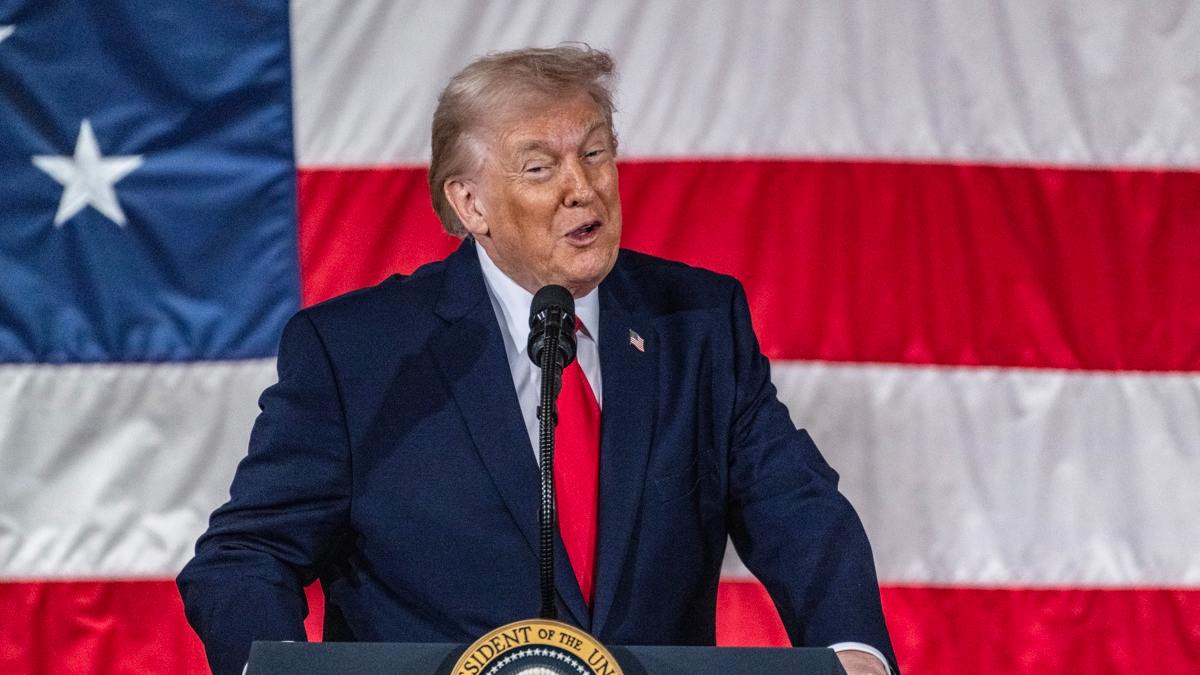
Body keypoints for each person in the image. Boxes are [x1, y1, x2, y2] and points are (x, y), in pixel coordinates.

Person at [178, 45, 898, 675]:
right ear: (470, 204)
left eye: (594, 152)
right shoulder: (358, 353)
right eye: (539, 166)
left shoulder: (698, 325)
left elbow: (799, 512)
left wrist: (853, 651)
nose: (581, 187)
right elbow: (245, 556)